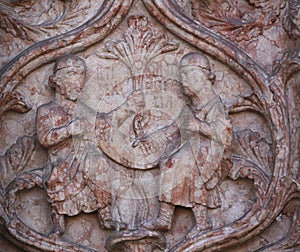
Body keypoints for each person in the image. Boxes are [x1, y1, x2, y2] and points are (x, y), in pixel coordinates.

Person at [143, 52, 232, 238]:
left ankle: (202, 222)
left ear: (202, 76)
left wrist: (199, 126)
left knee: (184, 163)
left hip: (212, 154)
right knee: (170, 161)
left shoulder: (214, 104)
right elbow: (177, 126)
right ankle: (165, 217)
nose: (183, 80)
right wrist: (155, 136)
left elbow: (225, 135)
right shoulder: (195, 104)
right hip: (196, 150)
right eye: (182, 75)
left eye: (188, 75)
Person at [36, 54, 120, 237]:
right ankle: (58, 222)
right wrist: (69, 129)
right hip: (61, 162)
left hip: (87, 157)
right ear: (58, 80)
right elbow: (45, 138)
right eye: (73, 75)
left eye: (81, 76)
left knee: (99, 163)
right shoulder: (47, 111)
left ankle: (104, 212)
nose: (78, 82)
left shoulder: (84, 111)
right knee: (56, 178)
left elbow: (101, 126)